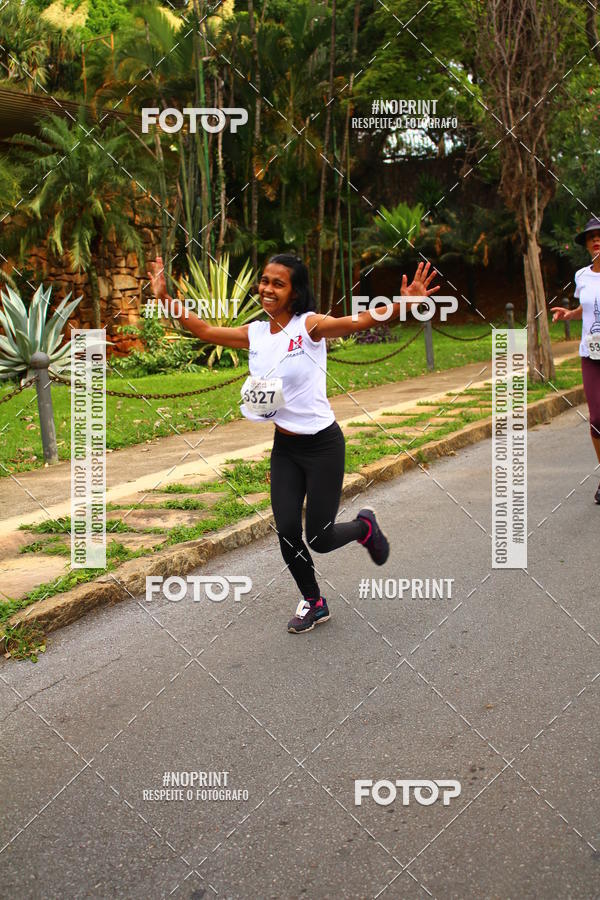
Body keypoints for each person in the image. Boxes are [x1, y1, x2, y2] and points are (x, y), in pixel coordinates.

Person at [148, 254, 440, 632]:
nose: (267, 289)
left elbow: (359, 320)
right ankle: (314, 602)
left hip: (322, 446)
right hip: (285, 450)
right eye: (265, 280)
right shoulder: (254, 333)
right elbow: (203, 330)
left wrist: (404, 303)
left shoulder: (310, 327)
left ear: (294, 291)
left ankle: (364, 527)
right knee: (286, 528)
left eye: (278, 283)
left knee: (320, 538)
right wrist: (163, 297)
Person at [552, 216, 600, 504]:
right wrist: (571, 315)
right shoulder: (582, 276)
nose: (595, 240)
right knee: (596, 419)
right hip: (591, 354)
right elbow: (587, 307)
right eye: (590, 237)